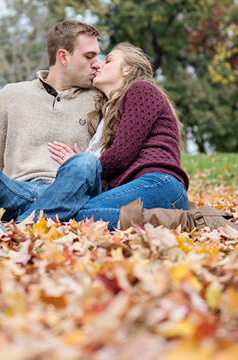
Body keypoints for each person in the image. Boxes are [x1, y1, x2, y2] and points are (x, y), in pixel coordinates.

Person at [0, 20, 104, 231]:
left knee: (86, 162)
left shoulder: (100, 99)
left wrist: (77, 164)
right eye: (89, 56)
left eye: (97, 56)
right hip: (14, 192)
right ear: (63, 57)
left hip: (67, 194)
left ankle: (22, 227)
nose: (98, 63)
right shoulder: (11, 95)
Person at [47, 43, 189, 229]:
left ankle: (173, 222)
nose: (98, 65)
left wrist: (82, 166)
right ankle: (161, 222)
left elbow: (121, 155)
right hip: (148, 188)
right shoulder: (112, 110)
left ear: (127, 69)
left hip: (159, 184)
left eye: (108, 60)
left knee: (75, 214)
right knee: (76, 213)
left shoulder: (141, 90)